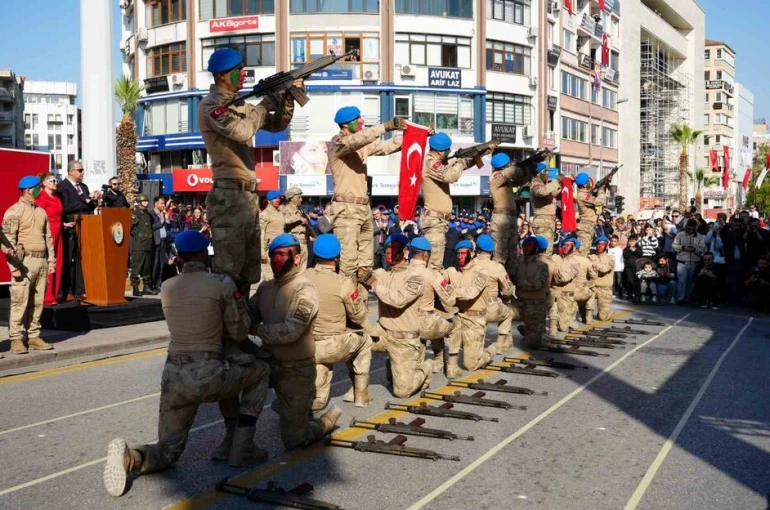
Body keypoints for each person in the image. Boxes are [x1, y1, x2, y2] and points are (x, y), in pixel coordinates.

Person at [103, 231, 271, 497]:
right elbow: (239, 332)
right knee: (259, 371)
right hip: (208, 372)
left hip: (173, 376)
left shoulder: (167, 287)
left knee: (169, 450)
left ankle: (132, 458)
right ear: (206, 254)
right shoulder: (221, 283)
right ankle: (243, 445)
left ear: (178, 257)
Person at [199, 48, 299, 296]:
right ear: (222, 75)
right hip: (228, 197)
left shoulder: (242, 105)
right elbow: (243, 131)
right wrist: (265, 104)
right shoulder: (211, 106)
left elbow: (277, 125)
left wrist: (287, 99)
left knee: (247, 272)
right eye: (237, 71)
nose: (243, 74)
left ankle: (239, 329)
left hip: (248, 197)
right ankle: (226, 332)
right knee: (228, 273)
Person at [248, 234, 342, 449]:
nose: (276, 260)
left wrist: (256, 329)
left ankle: (325, 422)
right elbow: (248, 316)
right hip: (268, 365)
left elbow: (291, 331)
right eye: (273, 255)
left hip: (297, 369)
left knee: (294, 440)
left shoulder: (304, 288)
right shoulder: (265, 288)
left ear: (297, 258)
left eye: (282, 254)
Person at [329, 105, 404, 283]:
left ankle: (359, 302)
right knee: (348, 264)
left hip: (363, 208)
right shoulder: (338, 143)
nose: (362, 121)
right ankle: (344, 303)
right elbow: (356, 140)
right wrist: (386, 126)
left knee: (365, 266)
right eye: (358, 119)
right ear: (346, 125)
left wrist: (415, 136)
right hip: (346, 209)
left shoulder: (361, 145)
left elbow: (386, 146)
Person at [304, 234, 373, 411]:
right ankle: (361, 394)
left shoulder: (303, 277)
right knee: (365, 342)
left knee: (317, 398)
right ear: (337, 258)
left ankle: (315, 400)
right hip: (334, 344)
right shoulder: (343, 283)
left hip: (307, 344)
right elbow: (359, 317)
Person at [360, 234, 432, 397]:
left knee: (402, 392)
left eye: (394, 248)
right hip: (383, 334)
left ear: (406, 251)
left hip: (404, 340)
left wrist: (373, 284)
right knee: (354, 342)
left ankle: (426, 367)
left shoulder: (415, 278)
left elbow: (398, 300)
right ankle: (358, 388)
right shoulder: (381, 274)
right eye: (387, 249)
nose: (390, 252)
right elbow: (362, 274)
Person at [2, 175, 56, 355]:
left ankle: (33, 336)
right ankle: (16, 338)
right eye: (37, 188)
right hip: (23, 263)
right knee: (20, 301)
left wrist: (51, 261)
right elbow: (7, 241)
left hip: (40, 261)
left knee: (38, 302)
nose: (40, 190)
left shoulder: (41, 211)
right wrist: (14, 267)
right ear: (27, 190)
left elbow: (48, 237)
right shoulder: (14, 211)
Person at [421, 132, 475, 270]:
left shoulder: (438, 162)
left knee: (438, 263)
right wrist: (461, 162)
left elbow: (454, 165)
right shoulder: (430, 162)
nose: (450, 152)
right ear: (439, 151)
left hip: (440, 222)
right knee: (433, 265)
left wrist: (474, 157)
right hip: (434, 222)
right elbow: (449, 175)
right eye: (447, 150)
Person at [444, 240, 495, 378]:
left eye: (463, 253)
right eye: (458, 254)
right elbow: (438, 286)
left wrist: (450, 292)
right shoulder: (451, 271)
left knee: (470, 365)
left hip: (475, 319)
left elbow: (471, 293)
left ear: (472, 254)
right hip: (458, 315)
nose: (460, 256)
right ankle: (449, 365)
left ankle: (491, 351)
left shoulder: (481, 272)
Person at [406, 237, 457, 375]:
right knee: (454, 323)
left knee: (436, 318)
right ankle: (448, 364)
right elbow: (451, 300)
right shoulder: (432, 274)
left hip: (407, 324)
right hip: (425, 324)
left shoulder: (403, 271)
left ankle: (425, 361)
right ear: (426, 255)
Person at [57, 160, 101, 300]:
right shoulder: (62, 187)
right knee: (69, 259)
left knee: (82, 260)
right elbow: (67, 206)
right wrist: (85, 200)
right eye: (80, 170)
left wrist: (94, 200)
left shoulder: (83, 187)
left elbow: (88, 207)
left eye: (82, 170)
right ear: (71, 171)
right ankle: (67, 290)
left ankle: (80, 289)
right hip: (71, 228)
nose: (82, 173)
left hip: (86, 226)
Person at [473, 234, 515, 353]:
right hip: (490, 307)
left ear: (477, 248)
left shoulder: (470, 264)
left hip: (471, 307)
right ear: (492, 251)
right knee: (508, 313)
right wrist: (506, 297)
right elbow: (507, 289)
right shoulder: (497, 267)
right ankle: (500, 344)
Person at [488, 153, 528, 271]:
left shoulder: (505, 181)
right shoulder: (495, 178)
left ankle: (511, 281)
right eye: (510, 163)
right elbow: (511, 171)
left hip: (510, 218)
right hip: (501, 218)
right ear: (506, 165)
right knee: (500, 256)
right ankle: (496, 282)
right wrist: (520, 168)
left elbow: (520, 180)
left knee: (513, 255)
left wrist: (530, 170)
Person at [511, 236, 550, 348]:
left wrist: (519, 283)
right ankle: (528, 330)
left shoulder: (542, 266)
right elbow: (512, 278)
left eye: (530, 246)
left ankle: (531, 332)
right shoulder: (519, 263)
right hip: (520, 302)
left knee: (533, 344)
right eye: (525, 246)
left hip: (535, 304)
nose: (527, 248)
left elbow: (537, 285)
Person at [35, 172, 68, 306]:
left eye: (55, 181)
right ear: (44, 183)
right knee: (49, 263)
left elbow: (57, 216)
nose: (55, 183)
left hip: (59, 231)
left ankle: (53, 294)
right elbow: (39, 217)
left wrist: (64, 224)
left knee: (58, 263)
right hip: (48, 233)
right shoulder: (41, 198)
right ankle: (46, 296)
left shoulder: (56, 198)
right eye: (52, 181)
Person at [530, 166, 562, 254]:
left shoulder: (544, 185)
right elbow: (542, 192)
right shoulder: (536, 184)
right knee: (544, 252)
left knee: (548, 250)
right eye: (545, 171)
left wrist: (562, 183)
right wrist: (557, 180)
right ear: (538, 173)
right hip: (542, 222)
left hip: (547, 222)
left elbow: (552, 192)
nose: (547, 174)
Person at [129, 195, 157, 297]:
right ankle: (135, 288)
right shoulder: (135, 214)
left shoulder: (148, 214)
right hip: (139, 244)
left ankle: (146, 287)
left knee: (147, 267)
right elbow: (130, 227)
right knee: (136, 266)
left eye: (147, 201)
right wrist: (137, 235)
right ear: (140, 202)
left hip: (148, 244)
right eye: (144, 201)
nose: (146, 202)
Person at [673, 219, 706, 304]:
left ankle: (688, 298)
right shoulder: (680, 235)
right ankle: (680, 299)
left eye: (693, 229)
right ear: (686, 226)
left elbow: (703, 249)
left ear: (695, 228)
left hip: (694, 263)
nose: (691, 230)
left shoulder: (699, 236)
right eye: (689, 228)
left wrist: (695, 249)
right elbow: (674, 246)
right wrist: (683, 248)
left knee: (691, 282)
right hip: (682, 262)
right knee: (682, 281)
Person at [574, 172, 608, 254]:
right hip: (585, 228)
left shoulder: (585, 193)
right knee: (582, 253)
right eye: (588, 181)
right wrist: (601, 189)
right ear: (585, 185)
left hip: (588, 227)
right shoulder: (582, 195)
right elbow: (599, 201)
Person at [553, 237, 581, 332]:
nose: (565, 247)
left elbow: (565, 278)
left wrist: (555, 272)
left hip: (565, 296)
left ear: (573, 247)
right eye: (564, 244)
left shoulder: (575, 263)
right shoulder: (555, 258)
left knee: (562, 327)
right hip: (552, 293)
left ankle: (568, 320)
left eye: (568, 245)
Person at [282, 187, 310, 271]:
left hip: (304, 242)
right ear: (291, 197)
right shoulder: (286, 210)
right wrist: (298, 218)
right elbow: (284, 221)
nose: (301, 199)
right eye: (299, 197)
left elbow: (307, 225)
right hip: (294, 241)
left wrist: (312, 235)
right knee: (294, 268)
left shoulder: (301, 211)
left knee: (303, 269)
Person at [259, 191, 284, 281]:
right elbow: (260, 234)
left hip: (281, 248)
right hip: (269, 249)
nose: (278, 200)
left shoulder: (280, 213)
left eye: (279, 198)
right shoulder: (264, 214)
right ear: (269, 201)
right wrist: (262, 252)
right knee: (269, 278)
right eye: (275, 198)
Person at [590, 236, 615, 320]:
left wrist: (594, 263)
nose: (600, 246)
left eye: (603, 244)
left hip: (605, 289)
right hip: (592, 287)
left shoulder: (611, 258)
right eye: (598, 244)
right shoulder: (591, 256)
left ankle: (608, 312)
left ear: (606, 246)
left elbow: (604, 270)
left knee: (603, 317)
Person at [572, 241, 597, 325]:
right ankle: (589, 317)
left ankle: (571, 318)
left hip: (571, 290)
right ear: (579, 249)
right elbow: (593, 276)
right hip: (583, 291)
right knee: (592, 290)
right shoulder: (586, 260)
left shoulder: (565, 259)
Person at [150, 196, 170, 292]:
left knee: (161, 264)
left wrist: (166, 218)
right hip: (156, 241)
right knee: (155, 264)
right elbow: (152, 227)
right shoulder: (151, 214)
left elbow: (166, 226)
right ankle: (152, 284)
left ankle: (158, 283)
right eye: (161, 203)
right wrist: (161, 221)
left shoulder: (163, 214)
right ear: (156, 204)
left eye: (164, 203)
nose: (163, 205)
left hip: (163, 241)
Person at [622, 234, 643, 301]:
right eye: (630, 241)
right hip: (628, 268)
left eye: (633, 241)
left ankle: (637, 294)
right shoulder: (626, 249)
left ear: (636, 241)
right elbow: (625, 256)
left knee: (637, 281)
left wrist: (635, 251)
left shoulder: (639, 248)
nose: (631, 243)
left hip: (637, 267)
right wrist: (630, 250)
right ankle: (629, 294)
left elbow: (640, 254)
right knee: (629, 280)